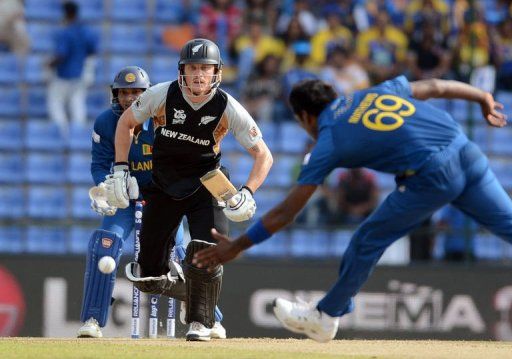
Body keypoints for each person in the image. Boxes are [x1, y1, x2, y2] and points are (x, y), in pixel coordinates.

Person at [193, 75, 509, 343]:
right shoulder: (373, 93)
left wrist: (238, 245)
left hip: (432, 174)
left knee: (366, 240)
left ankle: (326, 316)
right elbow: (437, 87)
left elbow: (286, 212)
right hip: (466, 152)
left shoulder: (330, 140)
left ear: (305, 117)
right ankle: (328, 312)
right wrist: (481, 95)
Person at [106, 39, 273, 341]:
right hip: (164, 186)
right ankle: (191, 290)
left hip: (207, 185)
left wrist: (248, 191)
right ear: (182, 70)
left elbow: (263, 154)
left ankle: (201, 321)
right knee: (148, 279)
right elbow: (126, 123)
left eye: (205, 69)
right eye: (193, 68)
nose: (199, 75)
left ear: (216, 72)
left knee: (205, 252)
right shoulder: (162, 95)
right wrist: (120, 167)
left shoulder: (227, 105)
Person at [76, 66, 187, 338]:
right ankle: (92, 318)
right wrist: (105, 188)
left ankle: (204, 316)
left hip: (161, 197)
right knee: (104, 246)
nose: (129, 98)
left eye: (135, 92)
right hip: (124, 197)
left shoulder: (163, 120)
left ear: (147, 94)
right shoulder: (105, 122)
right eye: (123, 93)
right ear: (116, 95)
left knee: (181, 254)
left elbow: (177, 162)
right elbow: (99, 164)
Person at [47, 1, 98, 137]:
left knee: (55, 103)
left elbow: (61, 55)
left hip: (64, 76)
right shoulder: (85, 30)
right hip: (79, 74)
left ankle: (61, 135)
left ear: (65, 13)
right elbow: (93, 49)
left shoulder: (66, 32)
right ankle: (78, 136)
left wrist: (49, 63)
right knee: (78, 105)